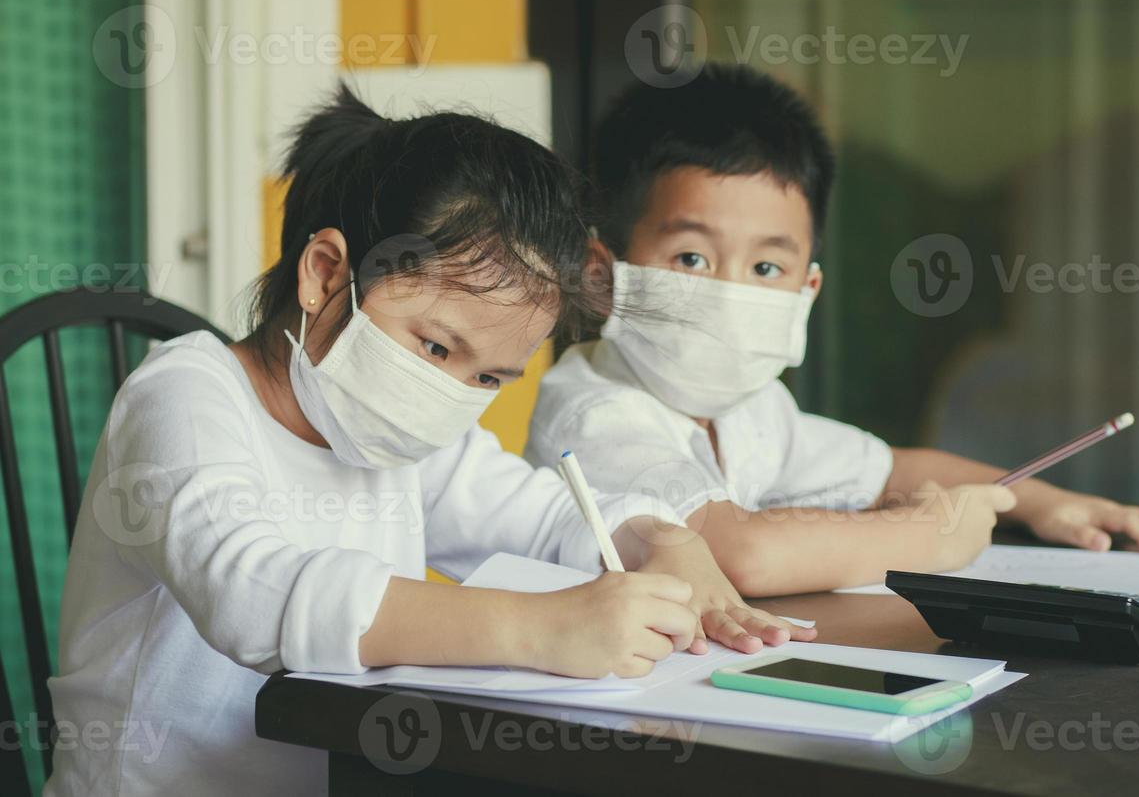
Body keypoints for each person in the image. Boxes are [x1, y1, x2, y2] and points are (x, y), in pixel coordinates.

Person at [45, 86, 810, 796]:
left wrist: (655, 536)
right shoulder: (184, 394)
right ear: (324, 273)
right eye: (437, 349)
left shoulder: (392, 429)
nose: (450, 396)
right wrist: (539, 628)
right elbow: (251, 595)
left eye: (490, 379)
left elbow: (534, 513)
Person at [527, 64, 1139, 597]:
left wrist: (1042, 501)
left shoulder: (750, 410)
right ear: (601, 274)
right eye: (693, 259)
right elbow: (740, 555)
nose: (732, 294)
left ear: (806, 290)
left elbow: (888, 469)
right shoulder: (595, 415)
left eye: (765, 266)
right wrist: (929, 538)